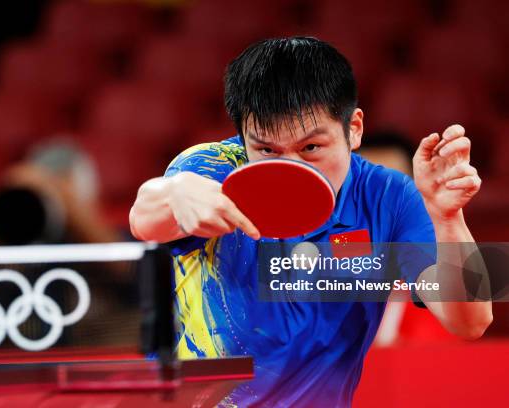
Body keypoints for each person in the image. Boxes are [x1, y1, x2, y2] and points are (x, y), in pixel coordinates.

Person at [129, 37, 491, 407]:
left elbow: (469, 322)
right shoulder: (211, 170)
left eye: (310, 148)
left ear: (354, 128)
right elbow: (144, 221)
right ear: (242, 137)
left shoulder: (388, 197)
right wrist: (173, 192)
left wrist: (448, 219)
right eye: (267, 150)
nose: (291, 169)